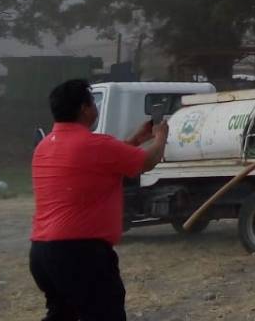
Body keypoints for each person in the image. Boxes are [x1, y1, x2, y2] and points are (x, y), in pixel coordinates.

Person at [30, 79, 168, 321]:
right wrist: (160, 138)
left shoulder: (43, 147)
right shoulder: (95, 144)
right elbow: (147, 162)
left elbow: (104, 161)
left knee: (63, 314)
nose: (96, 107)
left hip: (42, 253)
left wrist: (136, 139)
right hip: (81, 252)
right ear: (84, 108)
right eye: (93, 102)